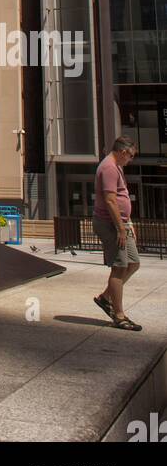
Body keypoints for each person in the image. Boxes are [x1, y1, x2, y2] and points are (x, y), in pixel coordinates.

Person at [92, 136, 142, 331]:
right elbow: (110, 200)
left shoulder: (116, 166)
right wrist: (121, 228)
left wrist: (128, 223)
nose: (130, 160)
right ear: (123, 152)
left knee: (133, 263)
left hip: (121, 224)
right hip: (111, 225)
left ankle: (105, 298)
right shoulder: (109, 168)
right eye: (130, 156)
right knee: (119, 267)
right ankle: (119, 316)